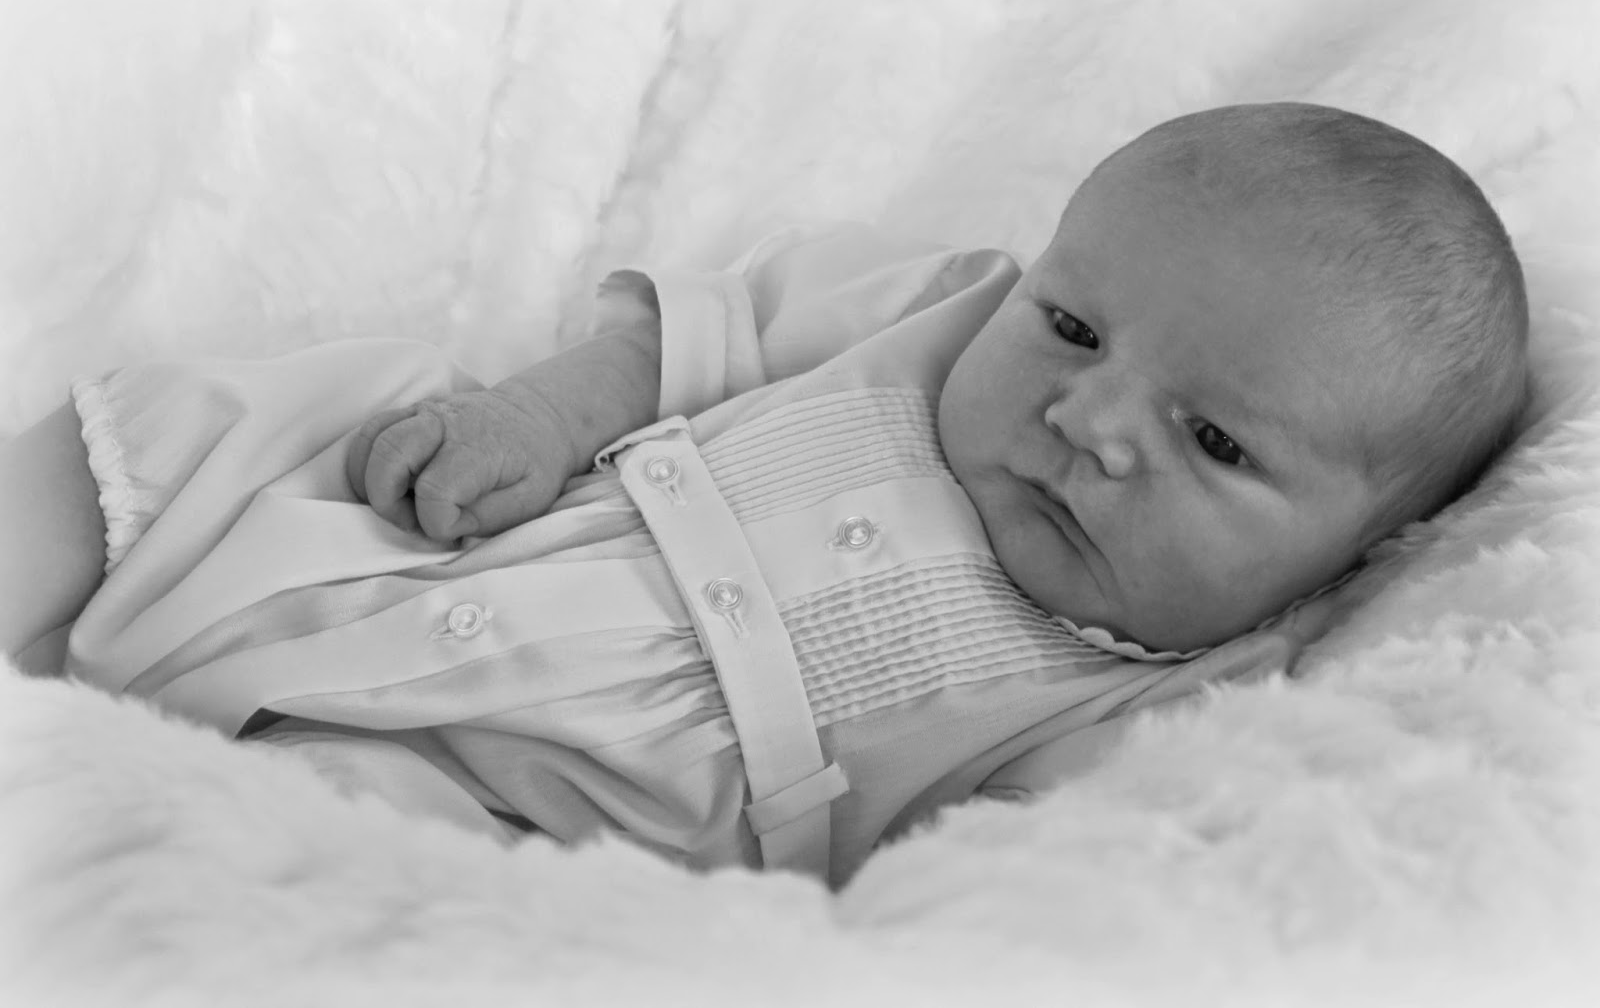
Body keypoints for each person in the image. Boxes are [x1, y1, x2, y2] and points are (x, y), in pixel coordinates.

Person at [0, 102, 1529, 885]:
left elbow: (1012, 879)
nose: (1091, 418)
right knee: (220, 424)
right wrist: (537, 415)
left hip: (538, 787)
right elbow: (692, 337)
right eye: (1073, 324)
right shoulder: (933, 309)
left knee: (334, 864)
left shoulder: (1161, 711)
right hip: (440, 530)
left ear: (1360, 550)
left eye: (1216, 442)